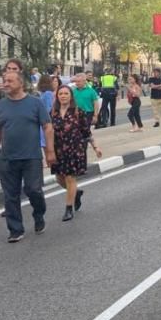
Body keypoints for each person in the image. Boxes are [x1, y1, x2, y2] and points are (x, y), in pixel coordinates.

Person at [0, 71, 56, 243]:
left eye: (10, 81)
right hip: (7, 158)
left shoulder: (35, 103)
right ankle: (15, 229)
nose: (6, 84)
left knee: (34, 190)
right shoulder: (0, 106)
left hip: (31, 157)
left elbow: (47, 127)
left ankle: (38, 214)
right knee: (10, 195)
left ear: (21, 83)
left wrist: (50, 151)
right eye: (4, 81)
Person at [50, 84, 101, 221]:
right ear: (57, 96)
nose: (63, 96)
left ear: (71, 96)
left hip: (74, 150)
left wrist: (96, 147)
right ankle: (76, 193)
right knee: (59, 178)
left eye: (66, 93)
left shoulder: (79, 112)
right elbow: (48, 132)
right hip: (58, 150)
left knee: (70, 178)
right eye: (60, 94)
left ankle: (68, 209)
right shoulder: (52, 113)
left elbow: (86, 132)